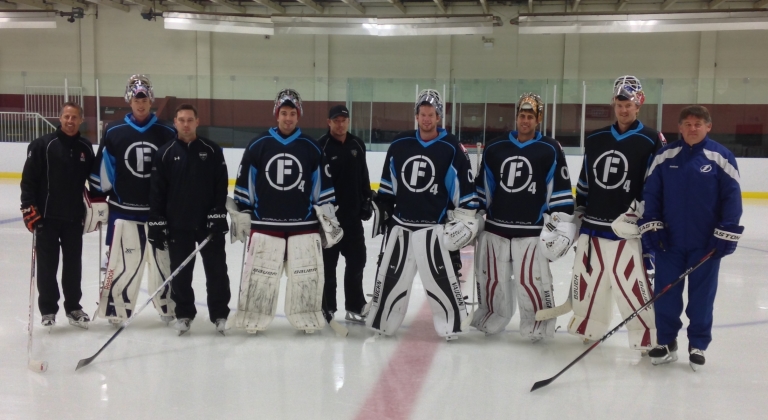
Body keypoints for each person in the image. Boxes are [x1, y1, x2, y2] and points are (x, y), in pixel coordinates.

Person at [366, 89, 479, 341]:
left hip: (434, 231)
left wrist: (466, 219)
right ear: (416, 116)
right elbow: (388, 187)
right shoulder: (399, 144)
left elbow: (465, 192)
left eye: (431, 114)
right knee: (391, 282)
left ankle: (452, 325)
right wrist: (381, 207)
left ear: (439, 117)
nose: (426, 119)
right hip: (401, 228)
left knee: (442, 284)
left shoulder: (451, 148)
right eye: (422, 114)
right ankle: (383, 322)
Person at [228, 88, 342, 334]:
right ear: (276, 115)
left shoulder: (311, 147)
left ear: (298, 116)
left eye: (292, 113)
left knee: (305, 276)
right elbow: (245, 181)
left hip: (303, 225)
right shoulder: (258, 145)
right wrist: (244, 211)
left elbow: (321, 187)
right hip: (265, 223)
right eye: (284, 113)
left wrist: (326, 216)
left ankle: (307, 315)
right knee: (260, 275)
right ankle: (253, 315)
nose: (288, 118)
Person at [566, 75, 665, 351]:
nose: (624, 109)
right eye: (620, 104)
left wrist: (648, 217)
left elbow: (656, 184)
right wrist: (580, 211)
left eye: (629, 104)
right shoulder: (596, 138)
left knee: (633, 282)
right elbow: (585, 181)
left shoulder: (651, 139)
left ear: (639, 105)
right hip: (594, 225)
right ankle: (590, 326)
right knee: (590, 279)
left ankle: (647, 337)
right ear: (614, 104)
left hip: (628, 229)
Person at [640, 105, 743, 371]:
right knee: (665, 293)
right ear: (680, 127)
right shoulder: (665, 156)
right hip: (669, 242)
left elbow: (732, 198)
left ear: (708, 127)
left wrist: (726, 232)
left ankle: (697, 343)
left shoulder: (721, 157)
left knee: (702, 297)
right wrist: (653, 226)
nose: (692, 128)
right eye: (687, 124)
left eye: (698, 124)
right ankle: (666, 341)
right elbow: (651, 194)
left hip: (705, 244)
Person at [472, 93, 576, 341]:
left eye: (530, 116)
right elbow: (483, 188)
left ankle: (537, 323)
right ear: (516, 117)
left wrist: (560, 224)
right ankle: (491, 314)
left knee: (532, 282)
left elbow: (558, 190)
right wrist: (473, 215)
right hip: (496, 229)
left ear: (538, 120)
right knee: (492, 280)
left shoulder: (550, 149)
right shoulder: (495, 148)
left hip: (531, 232)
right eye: (521, 115)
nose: (525, 121)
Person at [89, 75, 177, 326]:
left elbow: (174, 169)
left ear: (151, 100)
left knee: (163, 262)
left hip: (158, 212)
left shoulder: (167, 130)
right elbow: (104, 168)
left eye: (145, 99)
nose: (141, 103)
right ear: (129, 99)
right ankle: (116, 308)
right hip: (123, 210)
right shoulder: (114, 131)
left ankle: (168, 306)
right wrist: (97, 197)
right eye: (137, 98)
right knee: (122, 262)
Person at [149, 104, 231, 335]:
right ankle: (184, 314)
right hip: (178, 226)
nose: (186, 124)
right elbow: (157, 191)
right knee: (181, 273)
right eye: (181, 120)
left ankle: (219, 314)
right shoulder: (164, 153)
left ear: (197, 121)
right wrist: (157, 221)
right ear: (175, 122)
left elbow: (220, 186)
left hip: (208, 227)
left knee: (217, 272)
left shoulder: (212, 150)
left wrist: (217, 213)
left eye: (190, 120)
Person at [20, 102, 97, 328]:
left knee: (73, 265)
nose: (70, 121)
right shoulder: (43, 145)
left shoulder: (85, 147)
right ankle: (48, 310)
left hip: (74, 219)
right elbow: (28, 182)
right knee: (47, 266)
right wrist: (29, 209)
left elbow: (92, 182)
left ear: (81, 120)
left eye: (74, 117)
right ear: (60, 118)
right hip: (47, 218)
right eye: (66, 117)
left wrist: (98, 206)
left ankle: (73, 307)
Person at [317, 105, 373, 324]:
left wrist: (367, 199)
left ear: (348, 121)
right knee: (328, 268)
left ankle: (355, 303)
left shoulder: (357, 144)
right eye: (336, 120)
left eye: (344, 120)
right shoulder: (320, 146)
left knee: (357, 263)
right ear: (329, 122)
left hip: (352, 219)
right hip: (328, 221)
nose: (340, 124)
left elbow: (363, 175)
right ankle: (328, 307)